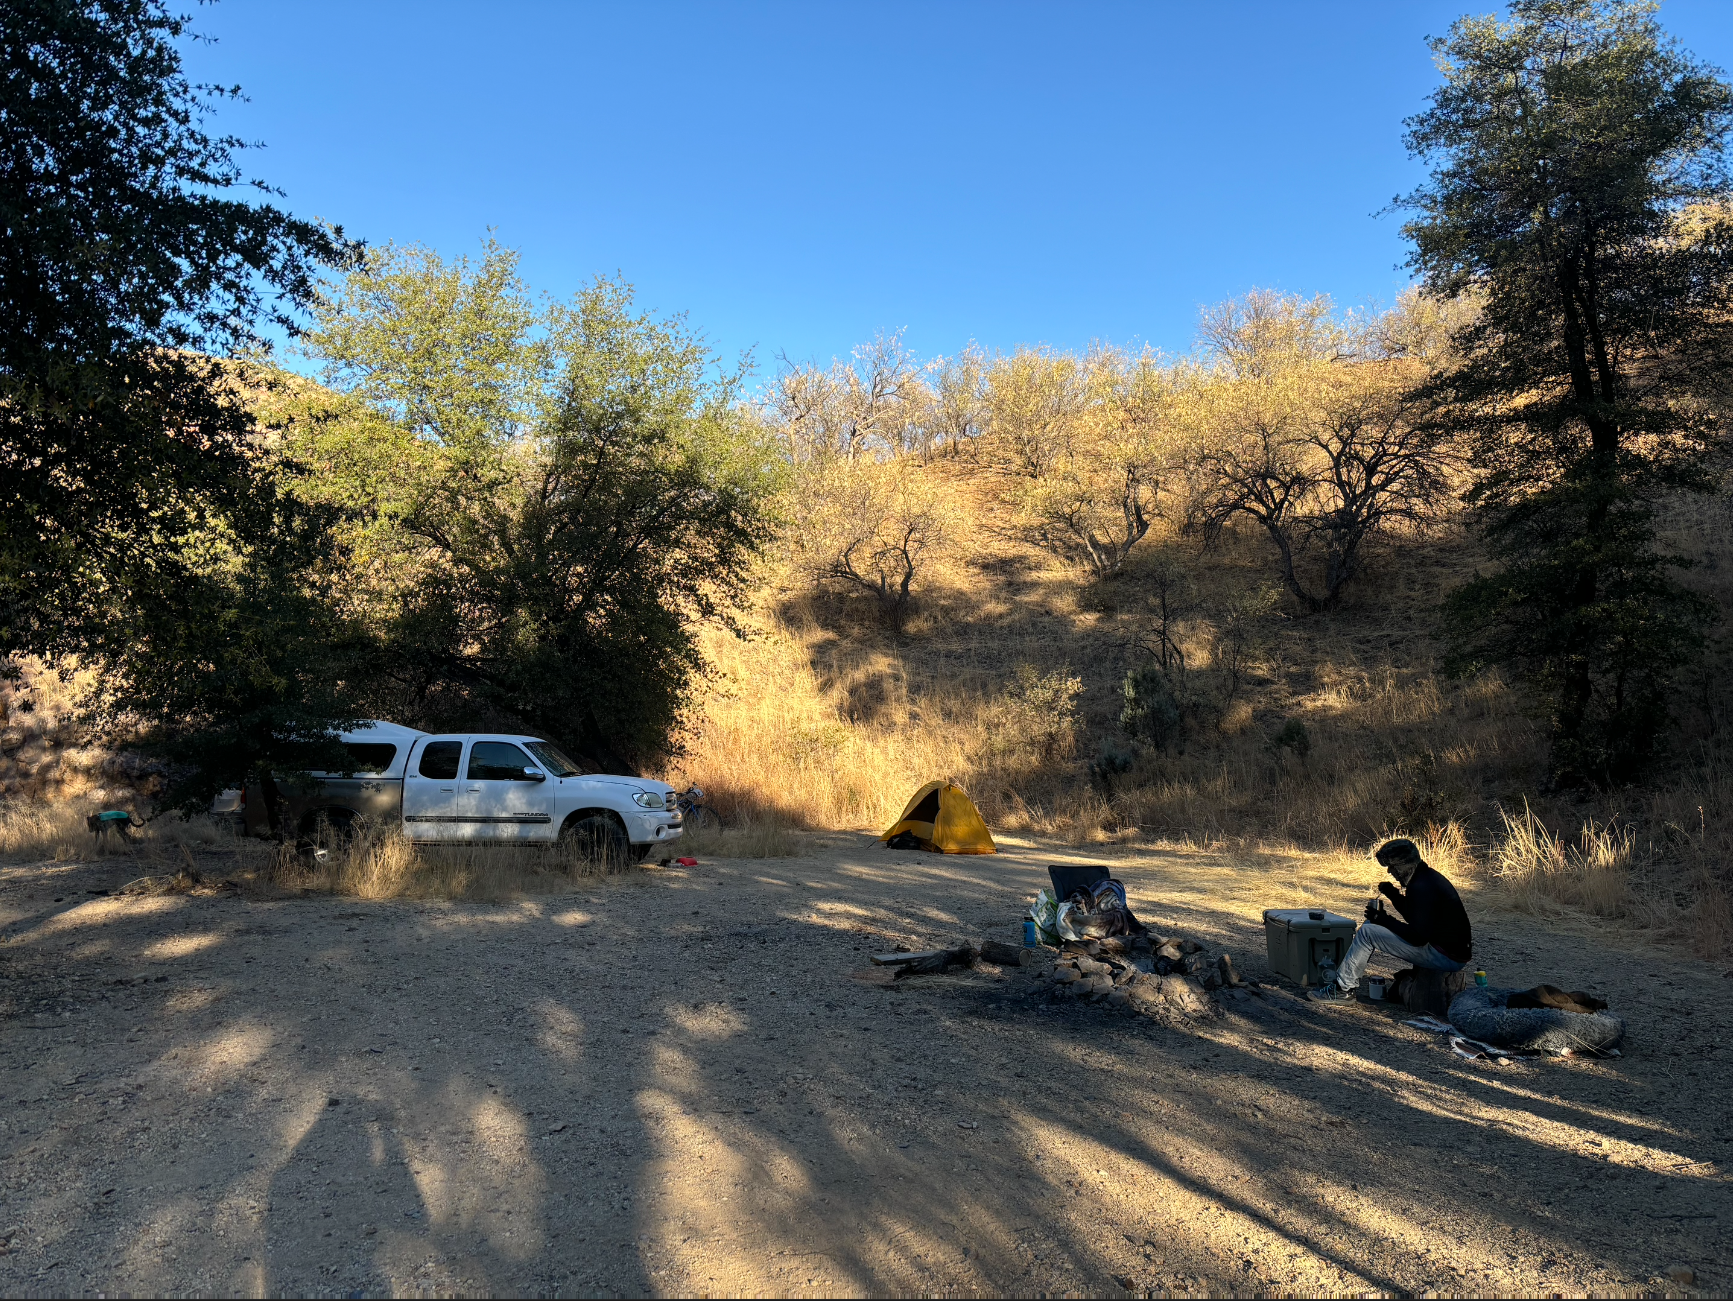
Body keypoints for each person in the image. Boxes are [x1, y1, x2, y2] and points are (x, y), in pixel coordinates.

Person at [1308, 837, 1472, 1003]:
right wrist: (1392, 894)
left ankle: (1343, 989)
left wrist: (1383, 919)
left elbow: (1417, 937)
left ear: (1402, 866)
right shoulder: (1426, 878)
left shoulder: (1421, 887)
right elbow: (1416, 917)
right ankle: (1345, 983)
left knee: (1367, 932)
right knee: (1371, 925)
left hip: (1445, 958)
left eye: (1392, 867)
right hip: (1449, 953)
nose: (1390, 872)